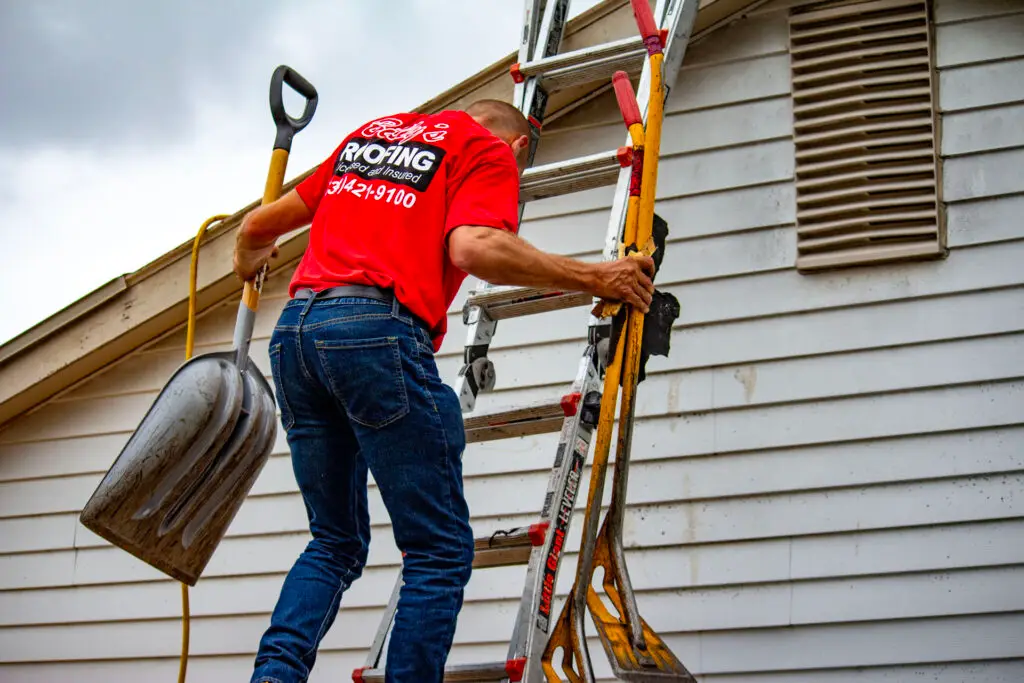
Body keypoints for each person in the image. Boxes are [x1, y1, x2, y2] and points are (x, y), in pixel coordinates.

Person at [232, 99, 655, 683]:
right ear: (518, 147)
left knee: (332, 542)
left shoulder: (371, 136)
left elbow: (256, 228)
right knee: (438, 550)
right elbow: (473, 248)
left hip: (295, 337)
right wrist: (593, 276)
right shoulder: (487, 151)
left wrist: (248, 259)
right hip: (374, 331)